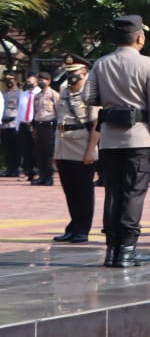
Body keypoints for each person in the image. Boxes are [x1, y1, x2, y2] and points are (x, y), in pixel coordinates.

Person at [83, 14, 150, 268]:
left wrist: (112, 101)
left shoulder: (101, 63)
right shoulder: (148, 64)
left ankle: (112, 250)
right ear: (140, 37)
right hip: (139, 137)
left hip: (110, 138)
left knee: (113, 193)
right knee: (133, 193)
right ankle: (127, 250)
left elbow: (88, 97)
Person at [51, 54, 99, 242]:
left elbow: (96, 125)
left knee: (83, 191)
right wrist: (56, 152)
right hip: (64, 146)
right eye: (68, 72)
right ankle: (73, 226)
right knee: (69, 190)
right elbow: (59, 124)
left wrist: (90, 151)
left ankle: (82, 229)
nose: (71, 76)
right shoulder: (64, 92)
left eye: (74, 72)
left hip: (82, 146)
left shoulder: (91, 94)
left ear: (84, 73)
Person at [28, 70, 60, 186]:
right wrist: (34, 128)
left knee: (48, 153)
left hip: (49, 125)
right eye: (39, 80)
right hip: (38, 125)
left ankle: (49, 177)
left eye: (43, 80)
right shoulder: (37, 96)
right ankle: (41, 176)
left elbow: (59, 112)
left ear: (49, 81)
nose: (41, 82)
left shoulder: (54, 94)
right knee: (39, 152)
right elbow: (35, 112)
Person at [16, 74, 40, 180]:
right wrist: (17, 126)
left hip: (35, 125)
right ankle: (28, 172)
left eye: (31, 81)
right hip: (23, 124)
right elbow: (19, 111)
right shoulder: (23, 94)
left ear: (36, 82)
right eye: (27, 81)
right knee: (26, 150)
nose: (29, 83)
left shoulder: (40, 93)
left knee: (37, 149)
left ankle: (38, 171)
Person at [2, 74, 20, 177]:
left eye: (11, 79)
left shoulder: (20, 93)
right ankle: (9, 168)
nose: (8, 82)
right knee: (6, 149)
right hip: (4, 125)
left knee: (14, 149)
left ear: (16, 80)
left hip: (13, 124)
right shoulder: (4, 93)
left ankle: (15, 169)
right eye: (7, 80)